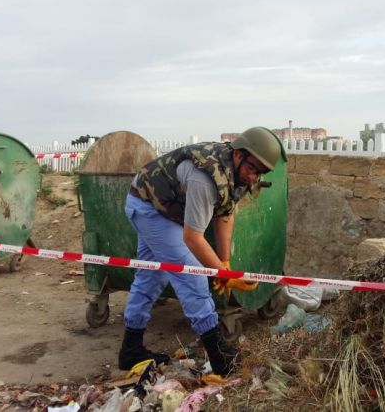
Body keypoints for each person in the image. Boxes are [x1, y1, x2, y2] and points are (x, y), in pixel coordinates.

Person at [118, 126, 286, 376]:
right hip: (147, 206)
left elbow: (226, 214)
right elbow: (193, 237)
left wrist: (225, 262)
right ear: (238, 154)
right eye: (252, 169)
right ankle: (220, 356)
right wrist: (223, 274)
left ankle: (130, 350)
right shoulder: (205, 178)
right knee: (192, 274)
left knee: (152, 275)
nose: (254, 177)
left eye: (260, 173)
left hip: (165, 209)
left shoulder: (238, 172)